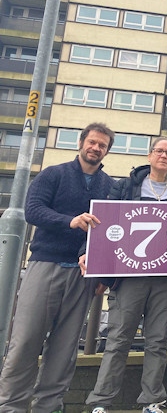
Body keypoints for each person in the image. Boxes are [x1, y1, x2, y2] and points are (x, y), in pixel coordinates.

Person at [0, 123, 115, 413]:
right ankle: (11, 405)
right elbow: (33, 210)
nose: (96, 148)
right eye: (92, 142)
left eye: (102, 145)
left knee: (65, 349)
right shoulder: (54, 174)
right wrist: (70, 220)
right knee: (25, 340)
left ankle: (49, 406)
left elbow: (111, 230)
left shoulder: (109, 186)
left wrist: (103, 272)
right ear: (81, 143)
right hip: (45, 265)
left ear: (106, 150)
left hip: (83, 275)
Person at [83, 137, 167, 413]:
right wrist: (92, 256)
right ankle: (100, 402)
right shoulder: (125, 186)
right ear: (150, 156)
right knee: (118, 339)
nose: (164, 155)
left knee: (158, 341)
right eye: (159, 151)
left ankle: (151, 401)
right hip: (129, 276)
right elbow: (102, 223)